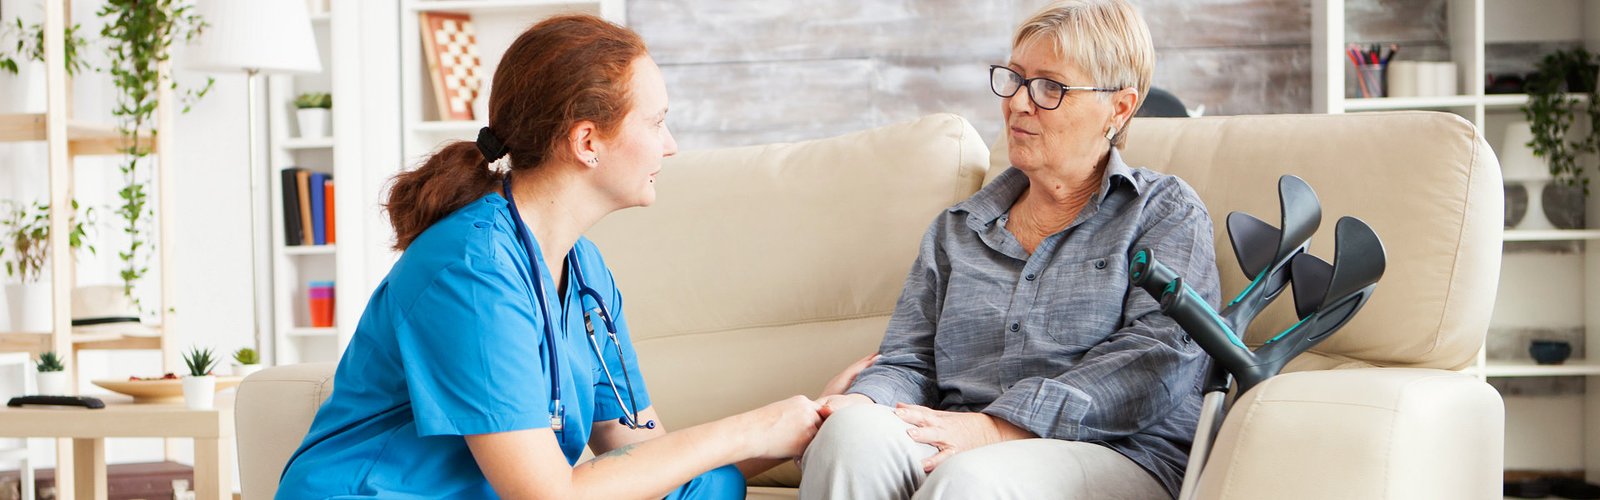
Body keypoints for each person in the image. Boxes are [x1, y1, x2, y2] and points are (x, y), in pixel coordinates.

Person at [276, 15, 840, 499]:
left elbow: (648, 468)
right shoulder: (471, 269)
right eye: (657, 121)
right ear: (587, 141)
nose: (670, 145)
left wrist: (809, 424)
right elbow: (549, 495)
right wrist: (751, 428)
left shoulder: (586, 272)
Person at [798, 1, 1220, 499]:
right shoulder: (957, 230)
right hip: (956, 437)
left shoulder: (1162, 212)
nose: (1019, 103)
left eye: (1049, 87)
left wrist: (998, 428)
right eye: (1015, 78)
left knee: (969, 481)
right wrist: (866, 400)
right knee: (851, 437)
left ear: (1119, 107)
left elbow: (1158, 360)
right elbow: (909, 362)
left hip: (1116, 453)